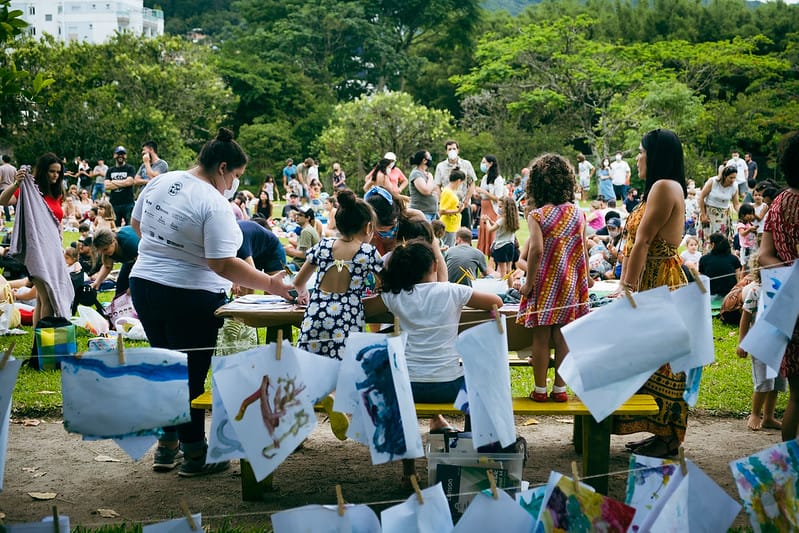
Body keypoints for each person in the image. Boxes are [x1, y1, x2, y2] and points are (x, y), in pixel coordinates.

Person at [129, 128, 292, 477]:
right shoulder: (214, 203)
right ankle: (195, 453)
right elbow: (222, 264)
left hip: (143, 284)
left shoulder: (161, 181)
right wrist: (271, 284)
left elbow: (136, 224)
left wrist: (167, 252)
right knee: (189, 376)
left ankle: (167, 446)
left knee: (168, 368)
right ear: (222, 168)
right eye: (235, 175)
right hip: (190, 295)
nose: (234, 183)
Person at [365, 238, 502, 435]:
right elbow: (496, 301)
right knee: (480, 380)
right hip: (450, 385)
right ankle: (471, 437)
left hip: (407, 385)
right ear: (435, 265)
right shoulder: (452, 291)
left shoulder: (394, 296)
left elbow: (362, 309)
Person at [616, 128, 689, 458]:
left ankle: (669, 436)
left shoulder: (664, 187)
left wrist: (626, 286)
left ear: (656, 156)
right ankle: (660, 433)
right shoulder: (661, 187)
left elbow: (644, 242)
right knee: (648, 358)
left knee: (664, 362)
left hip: (660, 283)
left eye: (642, 151)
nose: (637, 158)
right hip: (651, 279)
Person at [518, 154, 591, 403]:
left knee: (540, 337)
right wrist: (587, 278)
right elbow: (583, 249)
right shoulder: (578, 213)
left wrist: (528, 284)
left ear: (536, 185)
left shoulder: (537, 215)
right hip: (570, 284)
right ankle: (560, 389)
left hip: (544, 285)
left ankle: (540, 390)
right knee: (563, 338)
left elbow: (536, 250)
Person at [293, 189, 382, 360]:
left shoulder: (323, 245)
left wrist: (303, 294)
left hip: (315, 317)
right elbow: (389, 283)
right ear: (368, 227)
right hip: (347, 321)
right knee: (344, 371)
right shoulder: (368, 252)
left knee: (310, 370)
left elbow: (298, 282)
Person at [0, 152, 74, 324]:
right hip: (36, 252)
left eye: (58, 172)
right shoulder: (30, 190)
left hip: (53, 250)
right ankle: (44, 335)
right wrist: (16, 183)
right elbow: (3, 201)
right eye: (52, 171)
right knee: (48, 297)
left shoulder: (57, 193)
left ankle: (38, 337)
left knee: (42, 298)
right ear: (42, 171)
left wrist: (60, 241)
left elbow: (57, 221)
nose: (55, 175)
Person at [759, 131, 799, 443]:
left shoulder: (779, 202)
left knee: (797, 396)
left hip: (790, 309)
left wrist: (791, 274)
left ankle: (791, 465)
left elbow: (764, 256)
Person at [737, 259, 784, 431]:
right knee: (763, 382)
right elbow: (745, 317)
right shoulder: (756, 291)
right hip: (760, 344)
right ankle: (755, 414)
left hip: (780, 344)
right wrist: (742, 343)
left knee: (776, 383)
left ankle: (768, 417)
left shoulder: (783, 290)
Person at [233, 219, 287, 294]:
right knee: (244, 289)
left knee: (273, 289)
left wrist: (236, 279)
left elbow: (252, 273)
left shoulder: (240, 240)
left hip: (272, 251)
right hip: (254, 250)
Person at [434, 140, 477, 228]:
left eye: (454, 148)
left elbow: (472, 183)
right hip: (448, 206)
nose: (452, 151)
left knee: (465, 231)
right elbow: (437, 185)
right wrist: (441, 200)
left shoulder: (466, 164)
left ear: (458, 150)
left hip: (463, 203)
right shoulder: (440, 166)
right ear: (446, 151)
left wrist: (466, 200)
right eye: (449, 149)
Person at [697, 165, 740, 252]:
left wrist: (742, 214)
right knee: (708, 239)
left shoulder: (734, 186)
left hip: (723, 216)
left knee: (721, 240)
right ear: (725, 176)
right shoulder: (713, 182)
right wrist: (703, 214)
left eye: (734, 178)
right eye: (731, 178)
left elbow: (736, 204)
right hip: (709, 214)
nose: (732, 180)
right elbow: (701, 197)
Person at [91, 226, 140, 297]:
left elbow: (141, 267)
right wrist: (97, 282)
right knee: (121, 288)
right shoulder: (106, 248)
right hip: (130, 260)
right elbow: (107, 266)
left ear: (113, 241)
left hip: (145, 258)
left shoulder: (129, 243)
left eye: (105, 249)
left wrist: (133, 286)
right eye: (101, 251)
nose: (104, 253)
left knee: (136, 291)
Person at [475, 154, 506, 256]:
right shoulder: (485, 178)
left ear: (491, 163)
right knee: (483, 229)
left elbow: (498, 198)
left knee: (491, 230)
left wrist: (484, 192)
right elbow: (482, 194)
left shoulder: (498, 179)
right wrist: (478, 195)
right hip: (483, 208)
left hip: (492, 209)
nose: (482, 164)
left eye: (484, 162)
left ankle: (493, 255)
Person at [485, 196, 519, 279]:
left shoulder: (501, 220)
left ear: (506, 208)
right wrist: (491, 221)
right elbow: (499, 226)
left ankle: (504, 285)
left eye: (500, 206)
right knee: (509, 270)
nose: (499, 209)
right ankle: (510, 284)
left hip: (501, 246)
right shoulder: (512, 220)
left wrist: (487, 221)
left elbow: (490, 229)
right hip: (510, 246)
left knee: (502, 271)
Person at [699, 232, 741, 297]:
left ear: (713, 244)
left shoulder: (704, 259)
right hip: (730, 295)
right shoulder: (734, 259)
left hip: (710, 294)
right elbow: (737, 278)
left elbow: (702, 280)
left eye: (709, 243)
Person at [104, 146, 137, 227]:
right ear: (114, 155)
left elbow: (130, 182)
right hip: (114, 203)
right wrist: (124, 183)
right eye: (118, 154)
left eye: (122, 154)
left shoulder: (130, 168)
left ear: (125, 156)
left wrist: (113, 182)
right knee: (115, 227)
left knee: (130, 227)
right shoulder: (110, 170)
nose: (120, 156)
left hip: (128, 203)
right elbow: (107, 186)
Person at [407, 150, 438, 221]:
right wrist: (430, 177)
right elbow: (426, 191)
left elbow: (434, 188)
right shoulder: (416, 174)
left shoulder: (425, 173)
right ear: (424, 160)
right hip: (422, 213)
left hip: (432, 212)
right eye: (429, 157)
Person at [439, 168, 464, 248]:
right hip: (448, 226)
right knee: (447, 248)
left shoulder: (451, 192)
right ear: (458, 181)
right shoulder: (447, 192)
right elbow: (442, 211)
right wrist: (457, 211)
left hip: (453, 226)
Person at [0, 155, 16, 222]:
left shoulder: (1, 168)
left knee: (4, 203)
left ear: (3, 160)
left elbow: (0, 178)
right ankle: (17, 214)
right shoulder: (13, 168)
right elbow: (16, 178)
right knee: (14, 203)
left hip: (3, 187)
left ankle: (8, 217)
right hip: (12, 187)